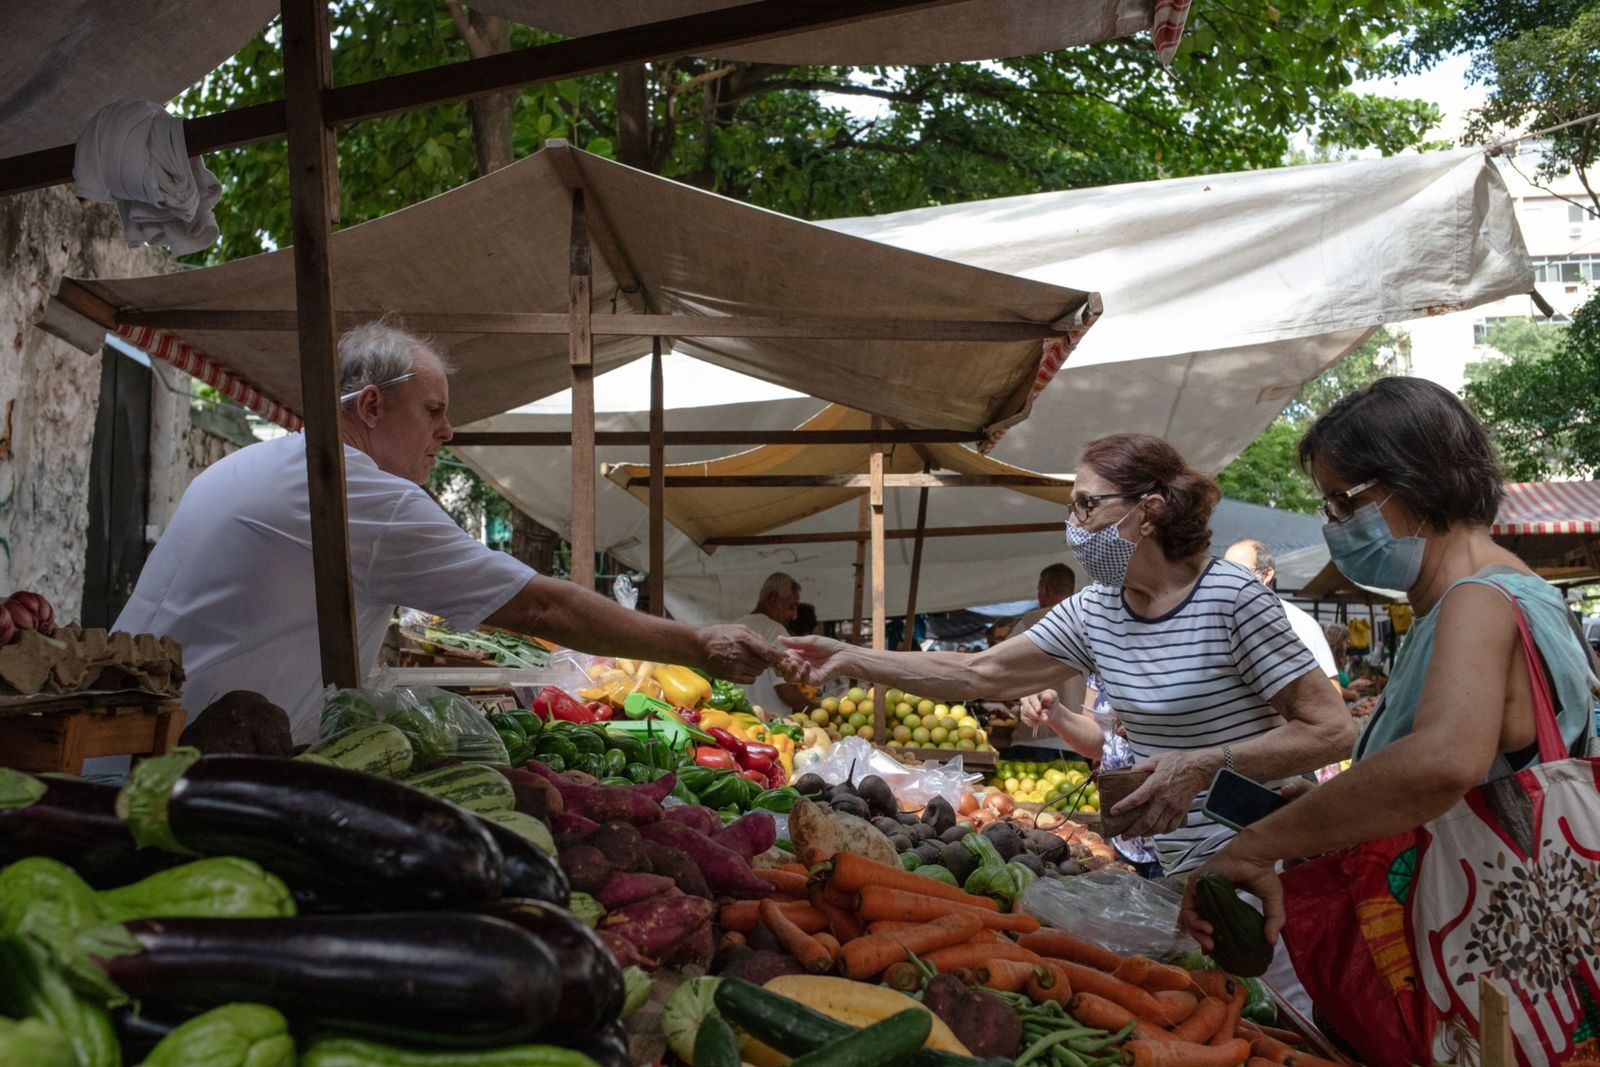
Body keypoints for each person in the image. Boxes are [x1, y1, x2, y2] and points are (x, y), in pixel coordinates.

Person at [116, 321, 780, 744]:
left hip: (135, 741)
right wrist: (699, 642)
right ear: (371, 406)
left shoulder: (253, 462)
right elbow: (541, 605)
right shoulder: (362, 495)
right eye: (433, 411)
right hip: (207, 765)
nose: (447, 432)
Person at [1178, 378, 1595, 1005]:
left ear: (1416, 481)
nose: (1335, 525)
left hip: (1472, 972)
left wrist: (1257, 844)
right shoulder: (1517, 588)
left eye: (1344, 503)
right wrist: (1324, 806)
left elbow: (1441, 763)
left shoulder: (1476, 601)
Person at [780, 432, 1354, 875]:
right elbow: (976, 672)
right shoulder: (1097, 609)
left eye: (1085, 506)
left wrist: (1203, 764)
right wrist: (849, 657)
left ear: (1148, 512)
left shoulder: (1232, 597)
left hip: (1267, 860)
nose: (1072, 525)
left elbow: (1332, 731)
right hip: (1174, 863)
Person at [1223, 539, 1340, 696]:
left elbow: (1332, 690)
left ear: (1267, 574)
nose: (1230, 581)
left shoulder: (1300, 623)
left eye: (1240, 572)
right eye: (1224, 573)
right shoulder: (1215, 622)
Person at [1007, 564, 1099, 761]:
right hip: (1079, 737)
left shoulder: (1032, 620)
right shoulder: (1090, 623)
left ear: (1043, 588)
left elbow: (1004, 667)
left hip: (1033, 735)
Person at [731, 573, 810, 717]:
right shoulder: (776, 631)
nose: (794, 615)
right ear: (773, 598)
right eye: (791, 606)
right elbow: (786, 690)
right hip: (773, 728)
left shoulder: (734, 627)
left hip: (740, 724)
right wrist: (816, 706)